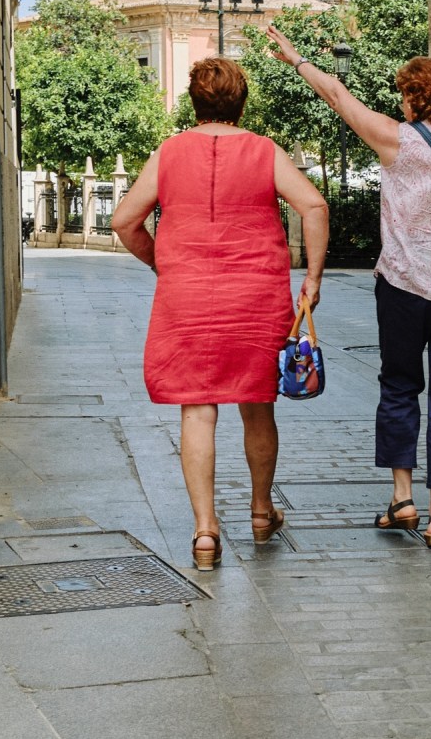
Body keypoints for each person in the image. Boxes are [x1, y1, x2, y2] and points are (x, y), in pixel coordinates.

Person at [265, 26, 431, 548]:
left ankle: (402, 498)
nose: (401, 102)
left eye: (404, 94)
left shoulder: (398, 139)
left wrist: (298, 60)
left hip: (406, 286)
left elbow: (338, 95)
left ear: (416, 96)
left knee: (398, 386)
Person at [112, 58, 329, 570]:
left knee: (198, 406)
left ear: (194, 99)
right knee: (257, 404)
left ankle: (205, 531)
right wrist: (313, 280)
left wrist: (162, 263)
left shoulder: (168, 152)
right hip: (255, 295)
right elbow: (314, 206)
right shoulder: (262, 150)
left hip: (186, 296)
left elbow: (124, 220)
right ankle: (259, 511)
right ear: (240, 101)